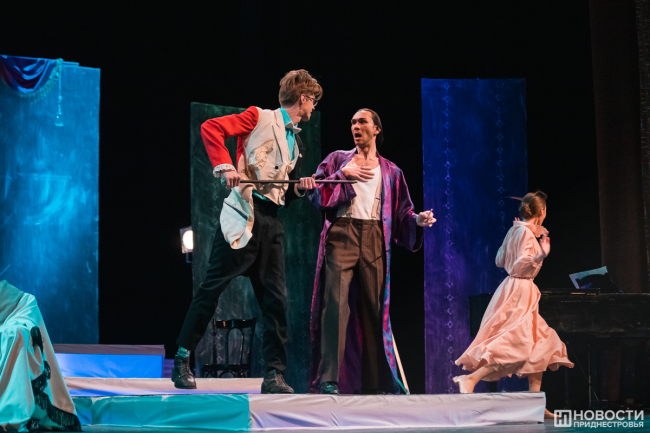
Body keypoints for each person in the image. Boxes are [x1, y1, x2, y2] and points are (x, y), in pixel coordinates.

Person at [172, 70, 321, 393]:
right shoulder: (259, 116)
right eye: (313, 101)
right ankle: (182, 358)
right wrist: (226, 166)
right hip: (244, 212)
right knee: (211, 290)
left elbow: (286, 191)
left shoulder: (297, 143)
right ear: (303, 98)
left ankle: (274, 374)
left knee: (276, 302)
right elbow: (212, 127)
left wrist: (302, 188)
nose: (313, 108)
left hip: (271, 222)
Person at [308, 109, 435, 395]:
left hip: (375, 237)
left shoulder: (391, 170)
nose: (356, 126)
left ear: (376, 129)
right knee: (334, 306)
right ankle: (329, 379)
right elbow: (317, 194)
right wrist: (342, 174)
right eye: (352, 122)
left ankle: (376, 382)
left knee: (375, 308)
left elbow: (402, 211)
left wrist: (417, 220)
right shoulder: (338, 159)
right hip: (342, 233)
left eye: (362, 121)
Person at [453, 191, 573, 418]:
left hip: (516, 288)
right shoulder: (523, 232)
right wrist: (540, 255)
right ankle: (471, 379)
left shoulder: (516, 230)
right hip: (520, 291)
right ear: (542, 211)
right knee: (516, 344)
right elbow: (520, 264)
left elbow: (499, 260)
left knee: (542, 343)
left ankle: (535, 404)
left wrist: (518, 237)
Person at [0, 280, 81, 432]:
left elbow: (24, 309)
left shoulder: (21, 300)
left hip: (13, 326)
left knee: (15, 334)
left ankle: (11, 416)